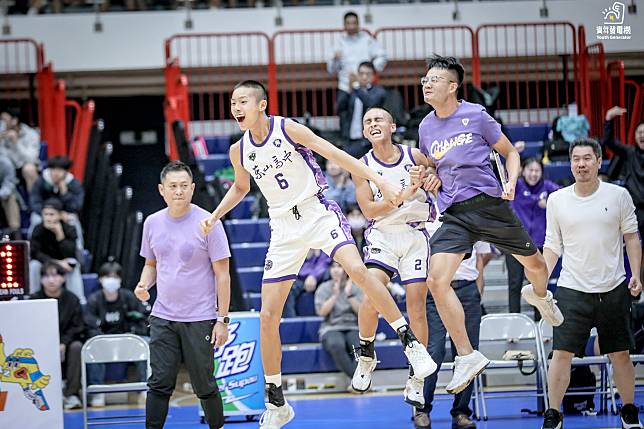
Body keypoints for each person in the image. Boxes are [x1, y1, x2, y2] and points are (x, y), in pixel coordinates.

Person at [200, 80, 436, 429]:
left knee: (358, 270)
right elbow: (240, 187)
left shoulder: (287, 128)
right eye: (232, 101)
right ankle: (277, 402)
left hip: (316, 211)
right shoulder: (239, 150)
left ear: (262, 104)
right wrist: (216, 214)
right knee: (268, 315)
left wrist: (379, 180)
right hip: (283, 227)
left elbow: (334, 153)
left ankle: (410, 344)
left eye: (243, 101)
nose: (236, 107)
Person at [411, 54, 563, 395]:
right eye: (425, 79)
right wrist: (430, 176)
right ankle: (466, 355)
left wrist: (511, 182)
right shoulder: (425, 127)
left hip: (490, 205)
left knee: (536, 266)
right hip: (455, 213)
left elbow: (510, 152)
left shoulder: (475, 115)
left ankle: (540, 296)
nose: (426, 83)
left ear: (452, 86)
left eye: (433, 79)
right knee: (436, 281)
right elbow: (433, 167)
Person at [540, 138, 642, 429]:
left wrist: (636, 274)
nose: (581, 164)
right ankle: (553, 414)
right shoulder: (557, 199)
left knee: (620, 353)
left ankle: (628, 411)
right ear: (571, 163)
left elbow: (632, 238)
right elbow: (552, 246)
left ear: (599, 161)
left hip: (613, 287)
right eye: (576, 159)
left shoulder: (619, 195)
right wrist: (540, 281)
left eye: (587, 158)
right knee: (561, 354)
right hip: (571, 289)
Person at [134, 161, 230, 429]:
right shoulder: (152, 223)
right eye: (173, 186)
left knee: (204, 383)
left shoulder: (208, 222)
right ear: (161, 190)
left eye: (184, 186)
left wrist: (222, 319)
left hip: (200, 317)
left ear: (193, 188)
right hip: (163, 316)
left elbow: (223, 274)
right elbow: (151, 265)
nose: (178, 191)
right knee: (159, 382)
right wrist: (143, 285)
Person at [349, 107, 435, 408]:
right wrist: (402, 193)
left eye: (378, 119)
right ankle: (366, 352)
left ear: (392, 125)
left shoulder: (414, 156)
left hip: (413, 234)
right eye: (367, 121)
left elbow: (438, 171)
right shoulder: (360, 165)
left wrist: (428, 178)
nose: (373, 124)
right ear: (363, 132)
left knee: (417, 307)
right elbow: (369, 211)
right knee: (371, 294)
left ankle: (416, 379)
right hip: (382, 234)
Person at [413, 218, 491, 429]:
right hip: (434, 291)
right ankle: (421, 409)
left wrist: (478, 287)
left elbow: (483, 254)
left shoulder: (471, 210)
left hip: (467, 290)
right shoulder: (424, 211)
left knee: (468, 354)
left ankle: (461, 412)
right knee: (433, 351)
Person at [85, 260, 149, 408]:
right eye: (108, 276)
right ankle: (97, 393)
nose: (111, 280)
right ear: (100, 279)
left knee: (146, 342)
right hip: (102, 342)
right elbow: (89, 325)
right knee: (92, 346)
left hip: (127, 340)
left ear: (120, 279)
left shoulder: (128, 297)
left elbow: (141, 319)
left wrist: (133, 332)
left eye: (115, 277)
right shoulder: (94, 300)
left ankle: (145, 388)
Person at [506, 157, 560, 315]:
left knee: (539, 285)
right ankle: (514, 319)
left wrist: (549, 201)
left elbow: (565, 196)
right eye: (531, 170)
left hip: (539, 244)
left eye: (537, 170)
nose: (534, 174)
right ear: (523, 170)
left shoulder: (547, 186)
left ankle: (541, 319)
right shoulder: (516, 186)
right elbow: (503, 176)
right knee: (514, 284)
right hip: (515, 244)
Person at [31, 260, 86, 410]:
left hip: (67, 343)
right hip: (41, 343)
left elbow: (78, 327)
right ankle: (41, 393)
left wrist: (63, 343)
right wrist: (48, 343)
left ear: (63, 278)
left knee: (77, 347)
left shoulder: (72, 299)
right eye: (46, 276)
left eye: (55, 276)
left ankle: (71, 394)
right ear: (41, 279)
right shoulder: (34, 299)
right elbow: (32, 327)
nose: (51, 280)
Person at [327, 11, 387, 143]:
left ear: (358, 24)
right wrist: (335, 60)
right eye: (348, 23)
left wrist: (372, 69)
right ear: (344, 25)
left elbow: (382, 55)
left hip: (365, 85)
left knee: (368, 112)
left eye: (354, 23)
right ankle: (346, 142)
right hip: (345, 85)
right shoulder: (339, 42)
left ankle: (367, 142)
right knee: (343, 113)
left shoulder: (367, 39)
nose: (351, 26)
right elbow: (331, 69)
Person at [602, 107, 643, 274]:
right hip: (636, 210)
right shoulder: (630, 153)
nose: (642, 135)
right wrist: (608, 119)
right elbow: (609, 142)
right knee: (634, 249)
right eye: (639, 132)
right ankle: (636, 285)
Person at [29, 198, 85, 304]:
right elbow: (35, 253)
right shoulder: (37, 229)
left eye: (52, 214)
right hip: (45, 263)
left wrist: (60, 236)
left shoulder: (69, 228)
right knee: (33, 265)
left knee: (73, 264)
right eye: (45, 214)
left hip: (64, 262)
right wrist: (55, 263)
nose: (48, 218)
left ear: (59, 215)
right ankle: (33, 298)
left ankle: (79, 301)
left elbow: (71, 253)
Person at [314, 261, 363, 381]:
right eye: (333, 267)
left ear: (346, 270)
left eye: (339, 267)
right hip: (331, 327)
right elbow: (321, 312)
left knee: (360, 347)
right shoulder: (324, 288)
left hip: (353, 327)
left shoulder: (356, 287)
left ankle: (358, 381)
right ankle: (357, 380)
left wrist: (349, 295)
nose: (335, 270)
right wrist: (334, 295)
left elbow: (362, 312)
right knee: (336, 344)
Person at [336, 61, 388, 158]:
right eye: (361, 74)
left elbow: (370, 102)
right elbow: (339, 108)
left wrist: (355, 86)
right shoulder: (353, 91)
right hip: (349, 140)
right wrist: (347, 89)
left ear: (373, 76)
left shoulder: (378, 91)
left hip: (367, 142)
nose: (364, 77)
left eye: (368, 74)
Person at [283, 248, 331, 318]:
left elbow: (325, 263)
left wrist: (314, 275)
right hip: (299, 279)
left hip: (320, 279)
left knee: (330, 278)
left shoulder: (324, 247)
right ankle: (292, 324)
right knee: (286, 287)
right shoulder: (295, 247)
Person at [0, 108, 40, 192]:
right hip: (6, 167)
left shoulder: (31, 134)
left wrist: (16, 143)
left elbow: (31, 159)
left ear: (14, 121)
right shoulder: (2, 132)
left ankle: (35, 203)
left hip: (22, 166)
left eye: (4, 120)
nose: (2, 123)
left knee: (29, 169)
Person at [0, 156, 21, 239]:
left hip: (2, 196)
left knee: (11, 198)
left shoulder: (5, 163)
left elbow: (9, 184)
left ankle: (16, 233)